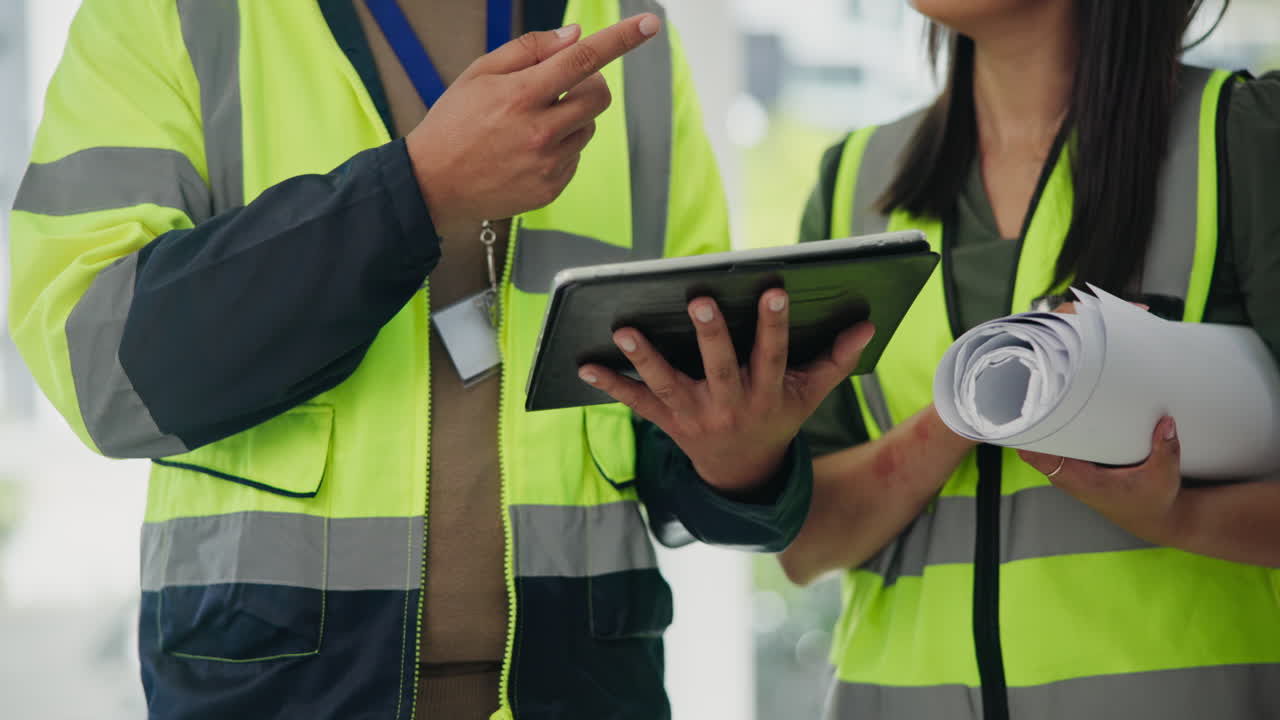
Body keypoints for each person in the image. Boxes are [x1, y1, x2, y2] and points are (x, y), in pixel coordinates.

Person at [7, 1, 871, 718]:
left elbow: (670, 432)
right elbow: (104, 370)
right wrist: (418, 191)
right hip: (272, 695)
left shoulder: (623, 26)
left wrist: (741, 464)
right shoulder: (173, 12)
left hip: (588, 694)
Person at [778, 1, 1280, 719]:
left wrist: (1177, 518)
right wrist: (976, 400)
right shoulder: (852, 182)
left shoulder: (1244, 140)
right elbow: (804, 550)